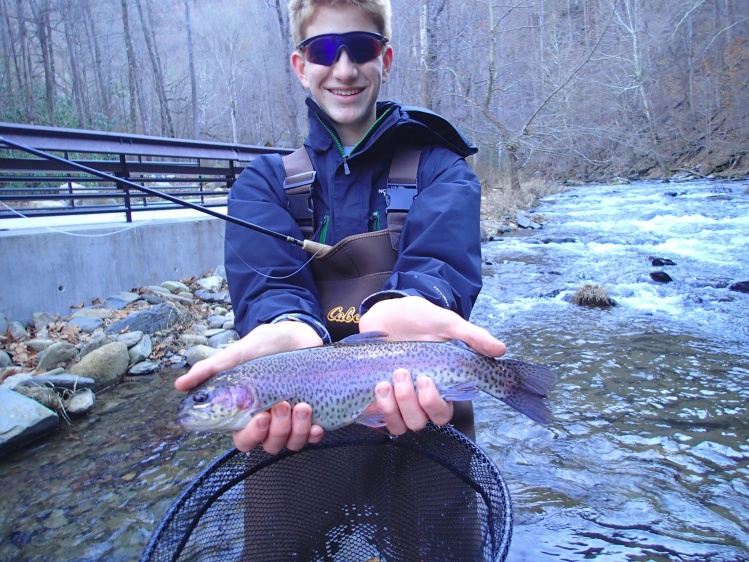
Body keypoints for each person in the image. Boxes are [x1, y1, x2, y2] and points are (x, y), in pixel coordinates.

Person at [174, 0, 506, 454]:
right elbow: (268, 287)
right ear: (300, 65)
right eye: (324, 50)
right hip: (301, 439)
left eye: (360, 47)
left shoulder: (442, 171)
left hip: (423, 411)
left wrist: (418, 302)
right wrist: (285, 326)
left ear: (384, 59)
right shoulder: (263, 184)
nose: (344, 69)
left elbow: (440, 263)